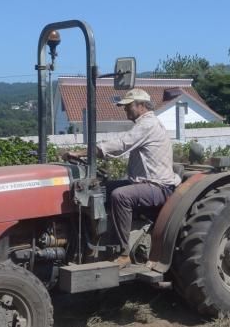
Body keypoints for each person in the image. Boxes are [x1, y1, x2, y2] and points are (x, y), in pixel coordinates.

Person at [64, 88, 181, 265]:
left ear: (141, 106)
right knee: (99, 189)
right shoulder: (143, 125)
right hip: (143, 183)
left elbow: (120, 144)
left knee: (121, 196)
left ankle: (123, 252)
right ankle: (91, 241)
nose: (125, 110)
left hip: (158, 187)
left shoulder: (148, 124)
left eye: (128, 106)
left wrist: (81, 153)